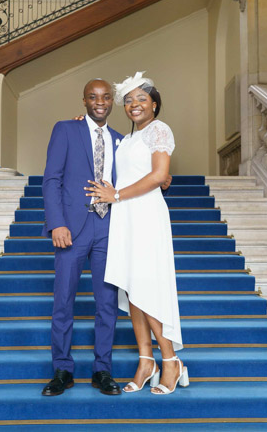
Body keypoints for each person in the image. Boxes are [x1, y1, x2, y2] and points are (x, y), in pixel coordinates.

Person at [85, 71, 189, 395]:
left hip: (145, 213)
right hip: (125, 217)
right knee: (131, 288)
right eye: (128, 100)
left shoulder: (159, 130)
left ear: (154, 104)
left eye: (141, 99)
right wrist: (82, 120)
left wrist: (115, 195)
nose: (134, 104)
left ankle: (170, 360)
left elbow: (159, 175)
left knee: (146, 285)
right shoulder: (126, 139)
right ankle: (146, 360)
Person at [41, 79, 124, 396]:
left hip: (109, 228)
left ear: (111, 100)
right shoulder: (66, 129)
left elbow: (135, 178)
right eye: (93, 97)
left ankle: (102, 370)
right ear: (84, 100)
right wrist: (56, 223)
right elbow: (52, 179)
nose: (99, 102)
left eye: (104, 97)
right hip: (72, 229)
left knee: (107, 305)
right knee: (63, 301)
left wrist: (164, 179)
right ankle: (63, 370)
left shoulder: (120, 140)